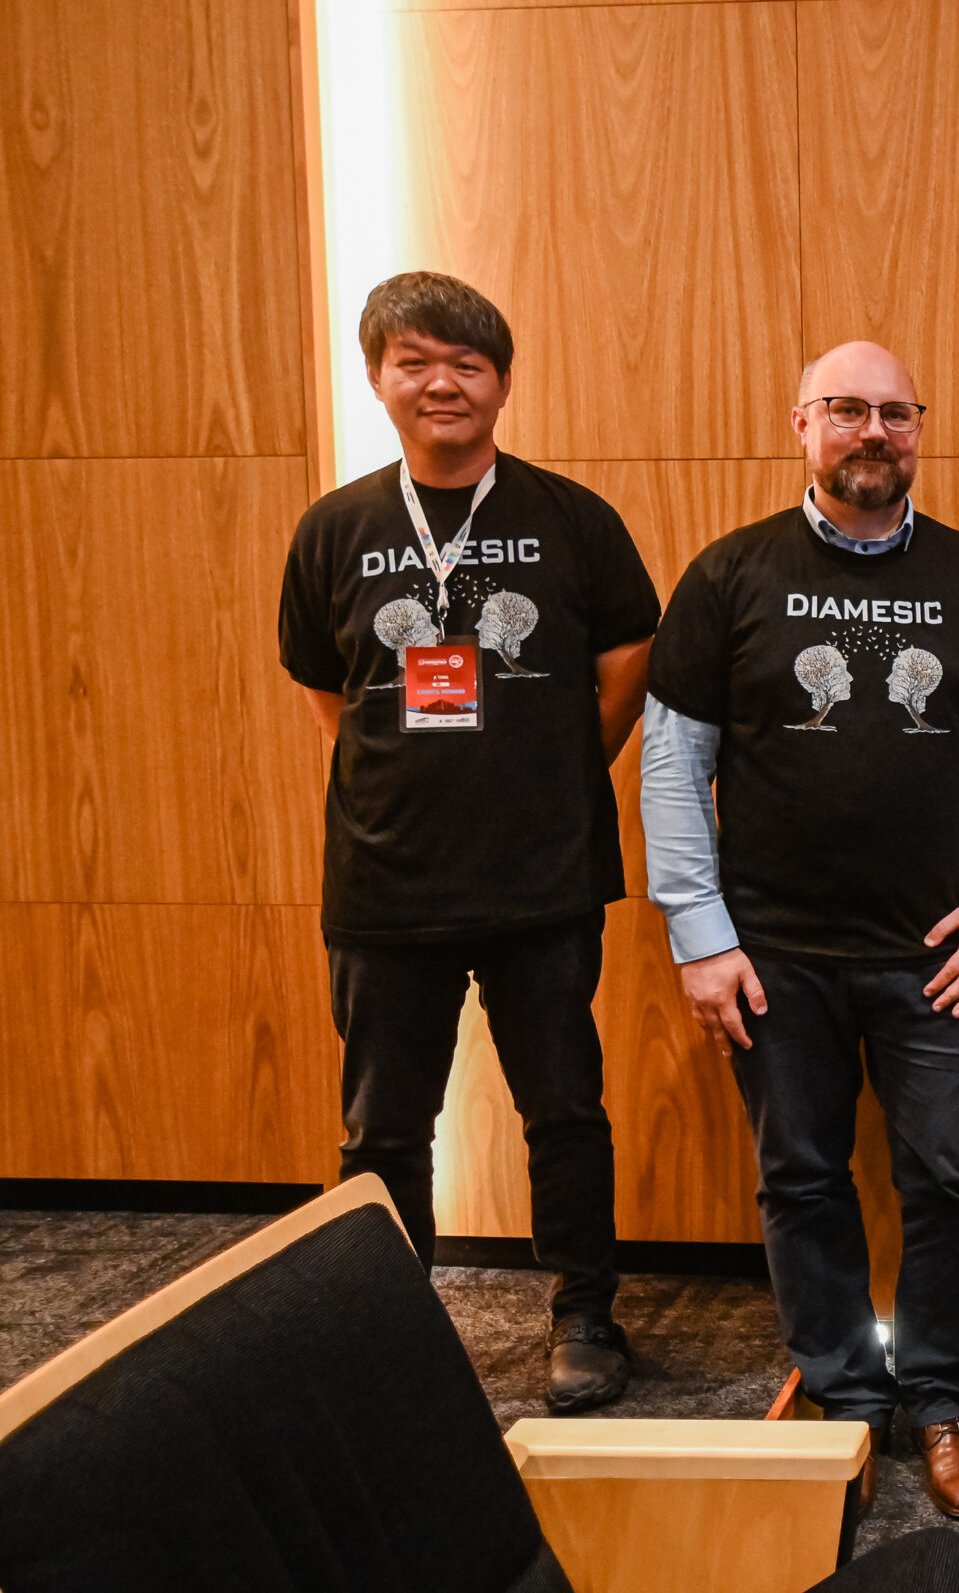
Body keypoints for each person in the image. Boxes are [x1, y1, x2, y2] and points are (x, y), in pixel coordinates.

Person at [639, 341, 959, 1520]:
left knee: (954, 1178)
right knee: (801, 1176)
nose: (873, 431)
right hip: (773, 956)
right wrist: (699, 932)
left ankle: (940, 1399)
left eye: (894, 412)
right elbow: (671, 763)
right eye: (847, 410)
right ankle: (847, 1395)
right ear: (801, 424)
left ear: (918, 427)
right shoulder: (729, 575)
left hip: (941, 961)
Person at [277, 271, 659, 1412]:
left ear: (501, 383)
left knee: (565, 1110)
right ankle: (388, 1326)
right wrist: (409, 776)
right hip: (385, 882)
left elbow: (627, 662)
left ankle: (585, 1313)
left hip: (544, 876)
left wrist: (550, 771)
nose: (441, 383)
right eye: (414, 362)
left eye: (466, 364)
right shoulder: (336, 526)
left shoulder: (572, 517)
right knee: (383, 1128)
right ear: (378, 378)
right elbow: (328, 687)